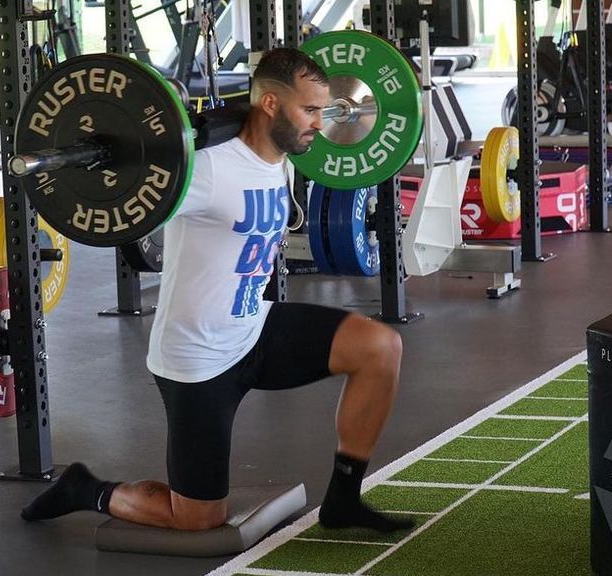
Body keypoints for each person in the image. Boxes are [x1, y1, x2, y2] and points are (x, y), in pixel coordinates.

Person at [21, 48, 412, 533]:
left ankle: (343, 500)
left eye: (323, 109)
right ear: (270, 103)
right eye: (309, 110)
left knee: (380, 347)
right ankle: (87, 489)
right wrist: (103, 156)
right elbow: (129, 198)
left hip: (254, 327)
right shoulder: (203, 171)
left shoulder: (280, 158)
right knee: (199, 518)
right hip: (197, 361)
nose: (321, 121)